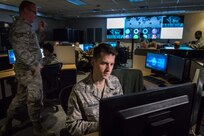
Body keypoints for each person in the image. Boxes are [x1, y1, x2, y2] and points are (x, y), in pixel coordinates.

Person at [0, 1, 55, 136]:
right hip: (29, 71)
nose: (35, 15)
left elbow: (32, 43)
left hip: (28, 70)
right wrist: (34, 65)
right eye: (34, 12)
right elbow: (20, 50)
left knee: (20, 98)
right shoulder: (19, 27)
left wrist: (40, 31)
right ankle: (38, 129)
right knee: (35, 99)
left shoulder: (26, 27)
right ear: (25, 10)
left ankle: (6, 124)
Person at [66, 43, 123, 136]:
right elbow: (72, 125)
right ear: (93, 62)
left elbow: (120, 110)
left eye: (112, 64)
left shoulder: (115, 82)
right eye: (104, 63)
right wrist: (101, 126)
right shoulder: (79, 90)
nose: (109, 69)